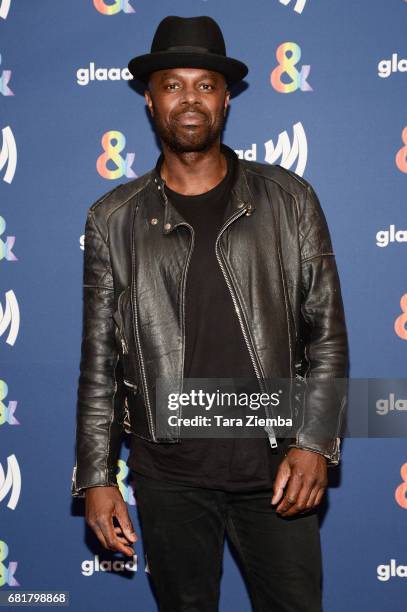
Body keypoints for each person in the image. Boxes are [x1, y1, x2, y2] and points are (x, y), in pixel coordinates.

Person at [71, 15, 349, 612]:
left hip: (276, 463)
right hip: (168, 471)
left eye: (205, 85)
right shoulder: (113, 219)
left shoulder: (289, 199)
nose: (190, 99)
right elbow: (100, 360)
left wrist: (314, 442)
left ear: (225, 98)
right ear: (151, 100)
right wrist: (97, 476)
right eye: (174, 85)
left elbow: (326, 333)